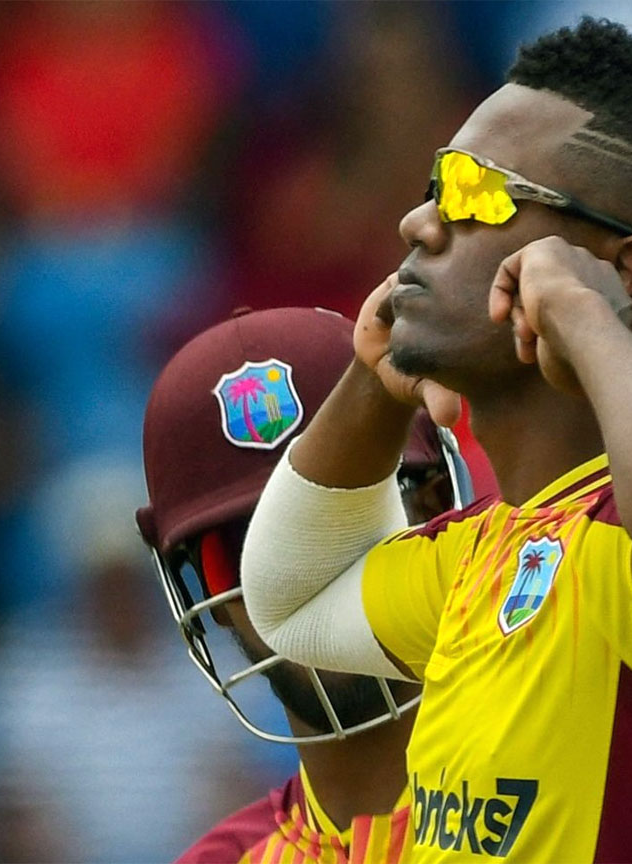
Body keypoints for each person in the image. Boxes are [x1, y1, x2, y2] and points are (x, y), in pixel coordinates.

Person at [241, 18, 632, 863]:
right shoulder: (477, 556)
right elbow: (291, 602)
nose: (418, 223)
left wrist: (583, 317)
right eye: (437, 184)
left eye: (475, 192)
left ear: (620, 269)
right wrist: (372, 381)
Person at [137, 306, 470, 863]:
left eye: (354, 518)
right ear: (201, 592)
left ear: (435, 505)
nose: (313, 574)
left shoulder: (594, 763)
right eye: (248, 546)